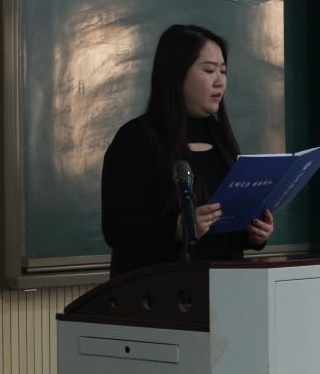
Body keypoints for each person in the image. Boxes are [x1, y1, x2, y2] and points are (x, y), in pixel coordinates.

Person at [101, 24, 274, 278]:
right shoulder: (137, 138)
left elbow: (223, 226)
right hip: (161, 288)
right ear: (176, 74)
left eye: (223, 71)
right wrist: (175, 228)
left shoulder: (220, 137)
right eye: (209, 70)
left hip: (225, 285)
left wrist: (255, 234)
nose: (220, 81)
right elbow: (116, 229)